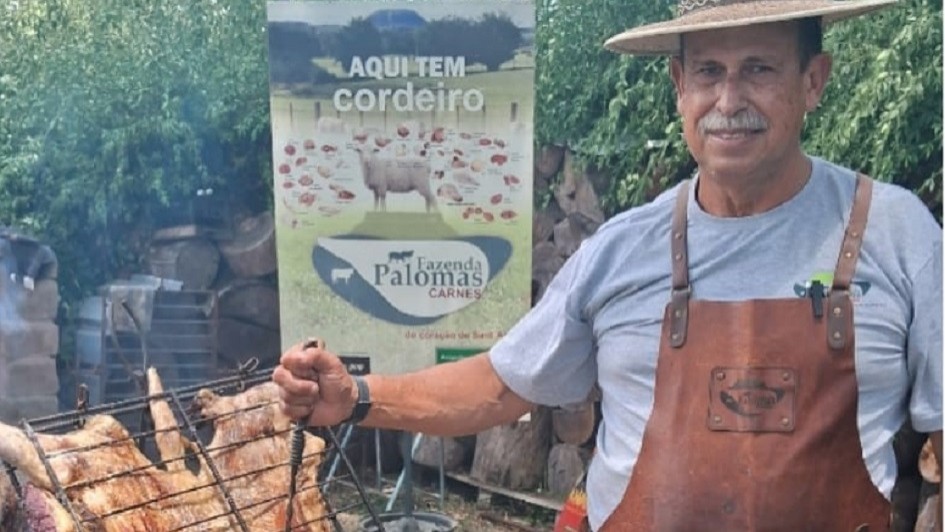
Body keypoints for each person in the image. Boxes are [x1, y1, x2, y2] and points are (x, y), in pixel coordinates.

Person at [274, 0, 943, 529]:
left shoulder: (894, 232)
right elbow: (501, 385)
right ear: (679, 86)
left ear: (813, 80)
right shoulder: (624, 248)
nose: (728, 100)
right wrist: (356, 398)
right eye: (708, 72)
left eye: (759, 69)